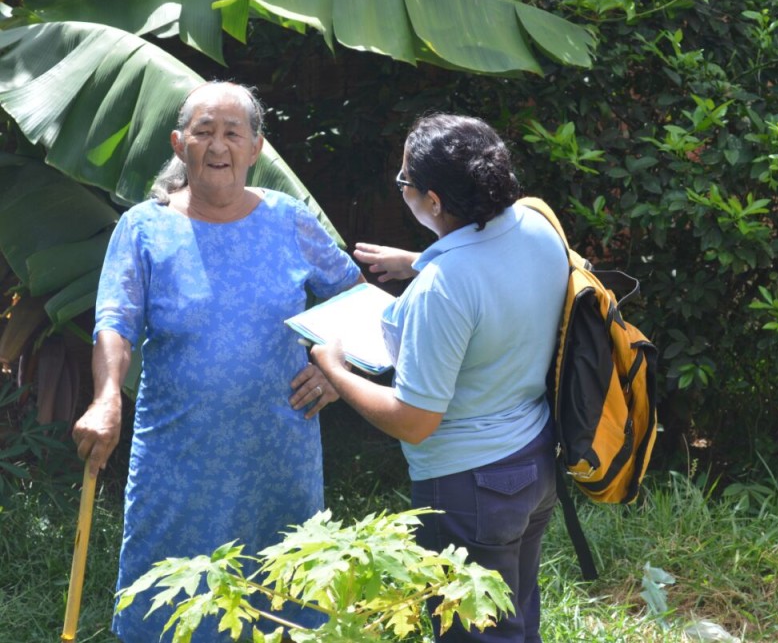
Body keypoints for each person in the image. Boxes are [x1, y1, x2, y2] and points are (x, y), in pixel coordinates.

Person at [71, 81, 365, 642]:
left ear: (256, 148)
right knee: (173, 604)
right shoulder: (144, 228)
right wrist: (107, 396)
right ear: (180, 144)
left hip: (278, 457)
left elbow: (356, 301)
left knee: (282, 599)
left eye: (233, 132)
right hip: (178, 460)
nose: (218, 145)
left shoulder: (289, 220)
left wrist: (335, 371)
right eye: (204, 131)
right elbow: (115, 322)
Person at [310, 113, 569, 642]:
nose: (400, 187)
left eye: (404, 181)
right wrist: (420, 261)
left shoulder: (444, 289)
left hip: (470, 489)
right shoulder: (536, 224)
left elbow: (416, 420)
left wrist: (335, 369)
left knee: (476, 634)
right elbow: (497, 270)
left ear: (433, 202)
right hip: (535, 463)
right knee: (514, 624)